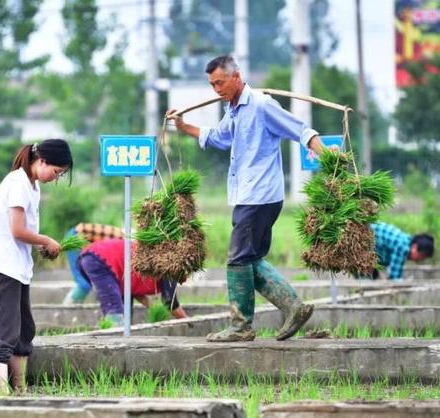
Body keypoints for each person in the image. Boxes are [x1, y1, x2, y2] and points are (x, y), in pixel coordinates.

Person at [166, 55, 328, 342]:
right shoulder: (234, 110)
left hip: (259, 195)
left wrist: (328, 155)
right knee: (250, 259)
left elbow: (300, 129)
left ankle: (241, 327)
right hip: (249, 195)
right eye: (212, 84)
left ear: (236, 76)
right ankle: (294, 307)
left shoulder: (262, 105)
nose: (216, 89)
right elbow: (218, 136)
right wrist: (183, 126)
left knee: (238, 260)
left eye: (220, 82)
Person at [0, 139, 73, 395]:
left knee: (24, 330)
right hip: (1, 267)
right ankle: (3, 393)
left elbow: (23, 232)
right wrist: (45, 240)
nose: (55, 178)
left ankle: (20, 389)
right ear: (41, 161)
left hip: (17, 267)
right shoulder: (17, 183)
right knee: (4, 330)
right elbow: (17, 230)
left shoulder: (32, 186)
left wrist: (42, 247)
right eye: (56, 172)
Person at [77, 238, 188, 326]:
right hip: (100, 258)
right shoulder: (170, 269)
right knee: (114, 306)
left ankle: (118, 334)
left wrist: (155, 309)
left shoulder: (159, 260)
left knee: (125, 304)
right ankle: (114, 344)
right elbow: (170, 303)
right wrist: (189, 322)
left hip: (94, 258)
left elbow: (134, 292)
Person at [62, 223, 124, 305]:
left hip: (79, 236)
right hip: (75, 237)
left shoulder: (125, 239)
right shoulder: (125, 243)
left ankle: (73, 305)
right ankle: (66, 307)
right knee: (84, 283)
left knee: (94, 281)